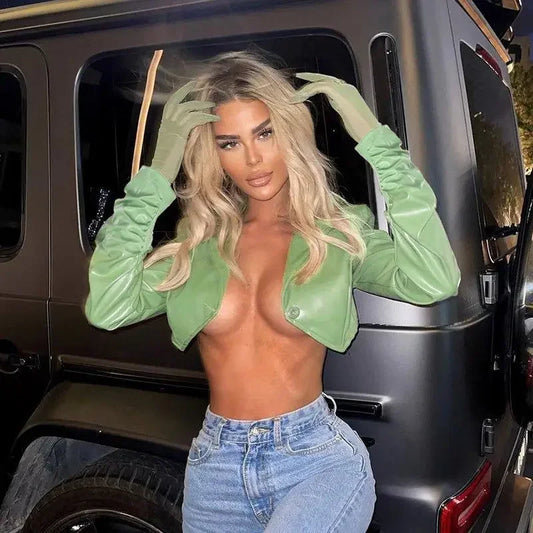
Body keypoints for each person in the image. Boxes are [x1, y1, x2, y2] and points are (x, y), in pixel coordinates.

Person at [85, 49, 461, 532]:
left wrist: (378, 143)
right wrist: (157, 175)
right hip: (216, 468)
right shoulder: (199, 245)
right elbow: (108, 306)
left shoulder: (335, 234)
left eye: (265, 133)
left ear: (290, 132)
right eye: (230, 143)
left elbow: (434, 277)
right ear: (213, 154)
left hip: (314, 461)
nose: (253, 158)